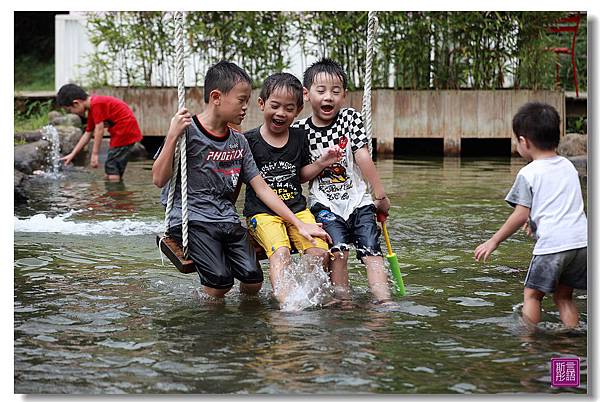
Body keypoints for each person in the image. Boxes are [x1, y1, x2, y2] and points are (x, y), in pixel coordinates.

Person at [152, 60, 330, 300]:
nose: (246, 107)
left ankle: (246, 324)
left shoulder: (239, 141)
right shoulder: (187, 132)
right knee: (220, 283)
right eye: (241, 100)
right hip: (192, 220)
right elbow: (158, 179)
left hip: (225, 219)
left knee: (253, 279)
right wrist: (172, 135)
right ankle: (211, 324)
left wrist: (298, 224)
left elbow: (262, 187)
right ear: (217, 97)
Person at [475, 102, 587, 329]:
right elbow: (561, 204)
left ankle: (529, 345)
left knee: (532, 295)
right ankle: (570, 343)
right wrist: (535, 221)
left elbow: (520, 213)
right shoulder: (568, 166)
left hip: (552, 246)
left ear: (524, 142)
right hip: (582, 243)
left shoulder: (528, 173)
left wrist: (494, 240)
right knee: (564, 297)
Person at [291, 58, 392, 303]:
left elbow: (362, 155)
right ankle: (343, 302)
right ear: (306, 94)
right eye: (321, 91)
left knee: (371, 252)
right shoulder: (299, 130)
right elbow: (301, 175)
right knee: (339, 253)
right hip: (324, 205)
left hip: (358, 201)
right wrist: (321, 164)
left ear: (344, 95)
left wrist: (379, 195)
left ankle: (383, 299)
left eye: (336, 92)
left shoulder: (350, 119)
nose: (328, 97)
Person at [243, 72, 343, 304]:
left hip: (297, 209)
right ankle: (287, 304)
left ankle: (308, 298)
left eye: (289, 108)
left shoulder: (299, 137)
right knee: (282, 253)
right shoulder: (249, 141)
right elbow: (241, 182)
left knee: (319, 253)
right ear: (262, 104)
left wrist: (321, 163)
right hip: (262, 213)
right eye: (275, 106)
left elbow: (299, 177)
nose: (281, 113)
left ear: (298, 111)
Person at [56, 83, 143, 181]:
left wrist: (94, 154)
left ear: (76, 103)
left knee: (111, 166)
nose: (71, 113)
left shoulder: (96, 104)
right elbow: (87, 133)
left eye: (69, 110)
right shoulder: (92, 109)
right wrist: (73, 154)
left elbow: (99, 129)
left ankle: (115, 193)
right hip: (124, 133)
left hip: (124, 133)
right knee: (113, 166)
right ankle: (114, 187)